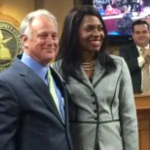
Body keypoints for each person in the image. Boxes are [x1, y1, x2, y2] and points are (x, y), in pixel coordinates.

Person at [53, 5, 139, 150]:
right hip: (77, 145)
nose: (97, 33)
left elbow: (128, 117)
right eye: (89, 29)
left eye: (100, 28)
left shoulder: (119, 65)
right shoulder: (58, 69)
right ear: (73, 33)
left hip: (113, 145)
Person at [0, 9, 73, 150]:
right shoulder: (6, 83)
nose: (51, 42)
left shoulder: (56, 76)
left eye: (54, 36)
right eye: (43, 35)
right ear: (25, 40)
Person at [120, 20, 150, 93]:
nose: (141, 35)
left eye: (144, 32)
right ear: (132, 35)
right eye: (137, 32)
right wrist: (143, 58)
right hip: (135, 96)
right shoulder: (125, 50)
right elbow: (124, 70)